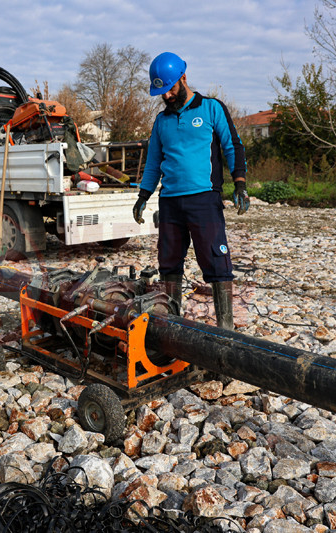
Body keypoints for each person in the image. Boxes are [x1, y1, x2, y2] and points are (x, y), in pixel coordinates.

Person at [133, 52, 250, 330]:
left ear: (183, 78)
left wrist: (240, 183)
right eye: (162, 92)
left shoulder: (211, 108)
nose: (167, 96)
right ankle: (173, 326)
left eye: (171, 89)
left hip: (204, 199)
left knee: (216, 261)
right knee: (169, 263)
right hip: (170, 203)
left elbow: (233, 146)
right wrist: (143, 196)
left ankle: (226, 329)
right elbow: (153, 163)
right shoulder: (161, 122)